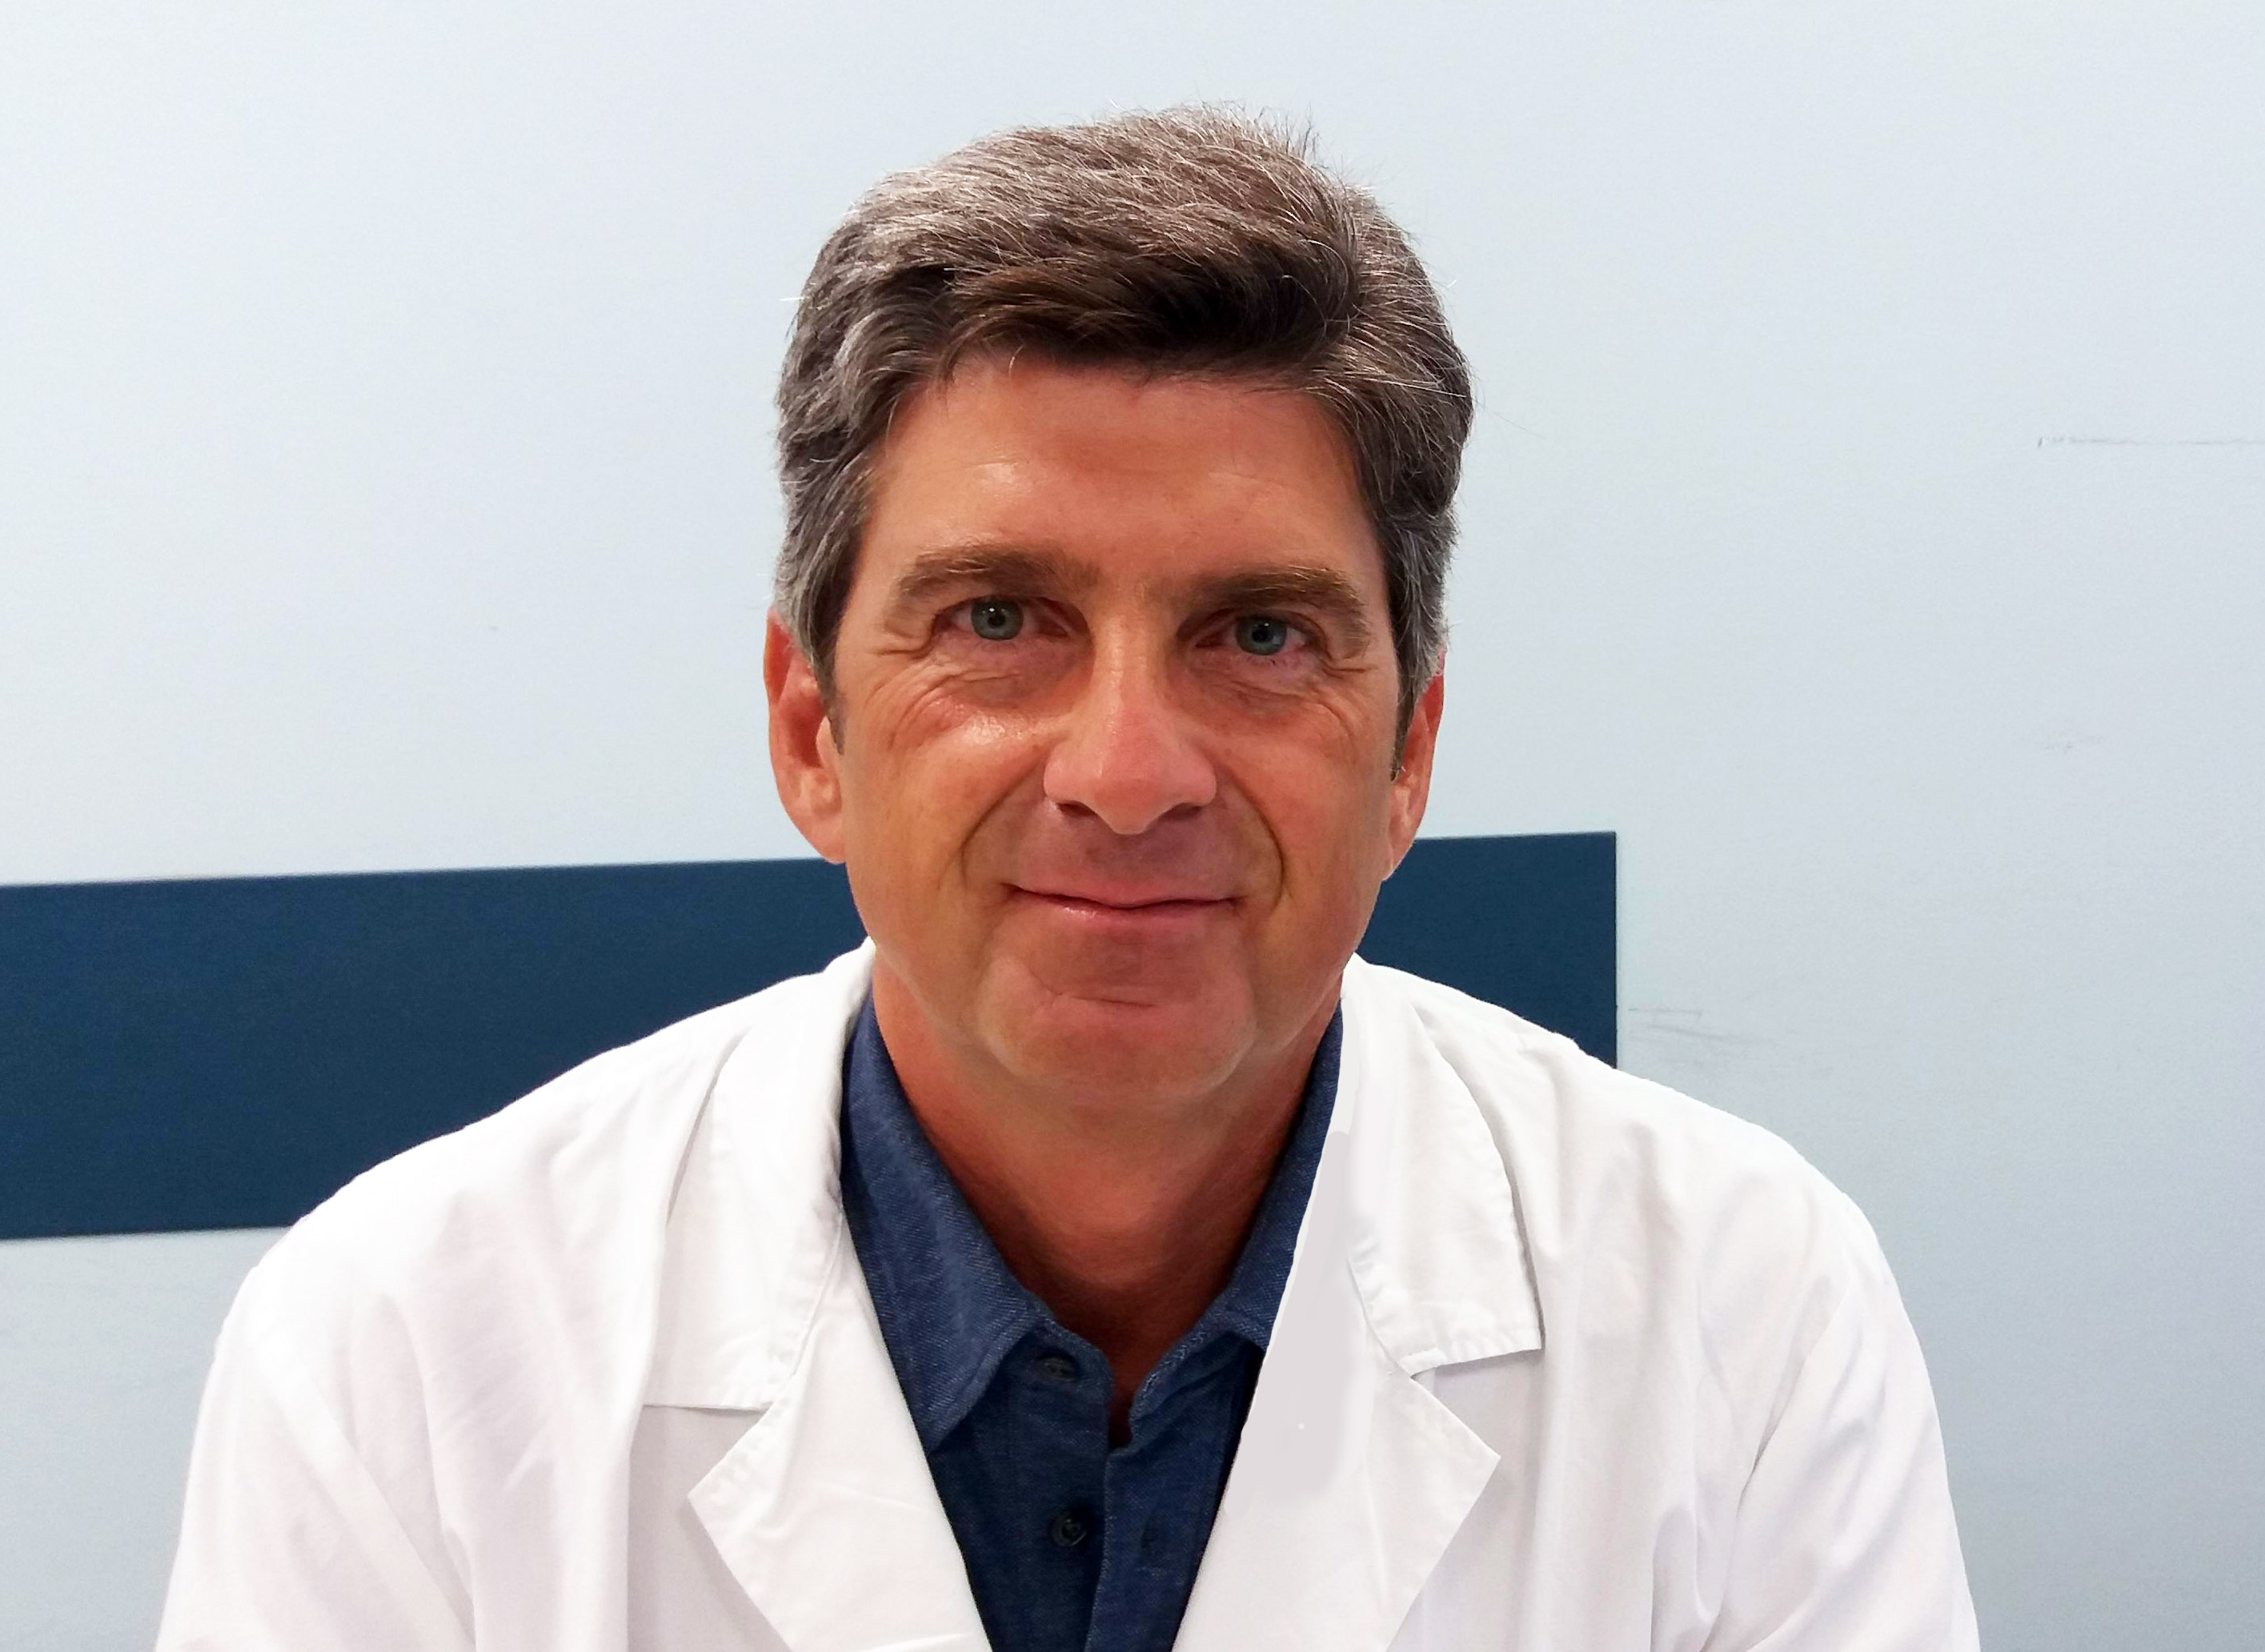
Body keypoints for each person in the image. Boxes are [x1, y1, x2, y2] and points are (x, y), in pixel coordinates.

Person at [157, 108, 1977, 1652]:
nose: (1127, 774)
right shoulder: (408, 1351)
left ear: (1409, 749)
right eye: (999, 620)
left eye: (1259, 635)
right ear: (811, 730)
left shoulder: (1737, 1309)